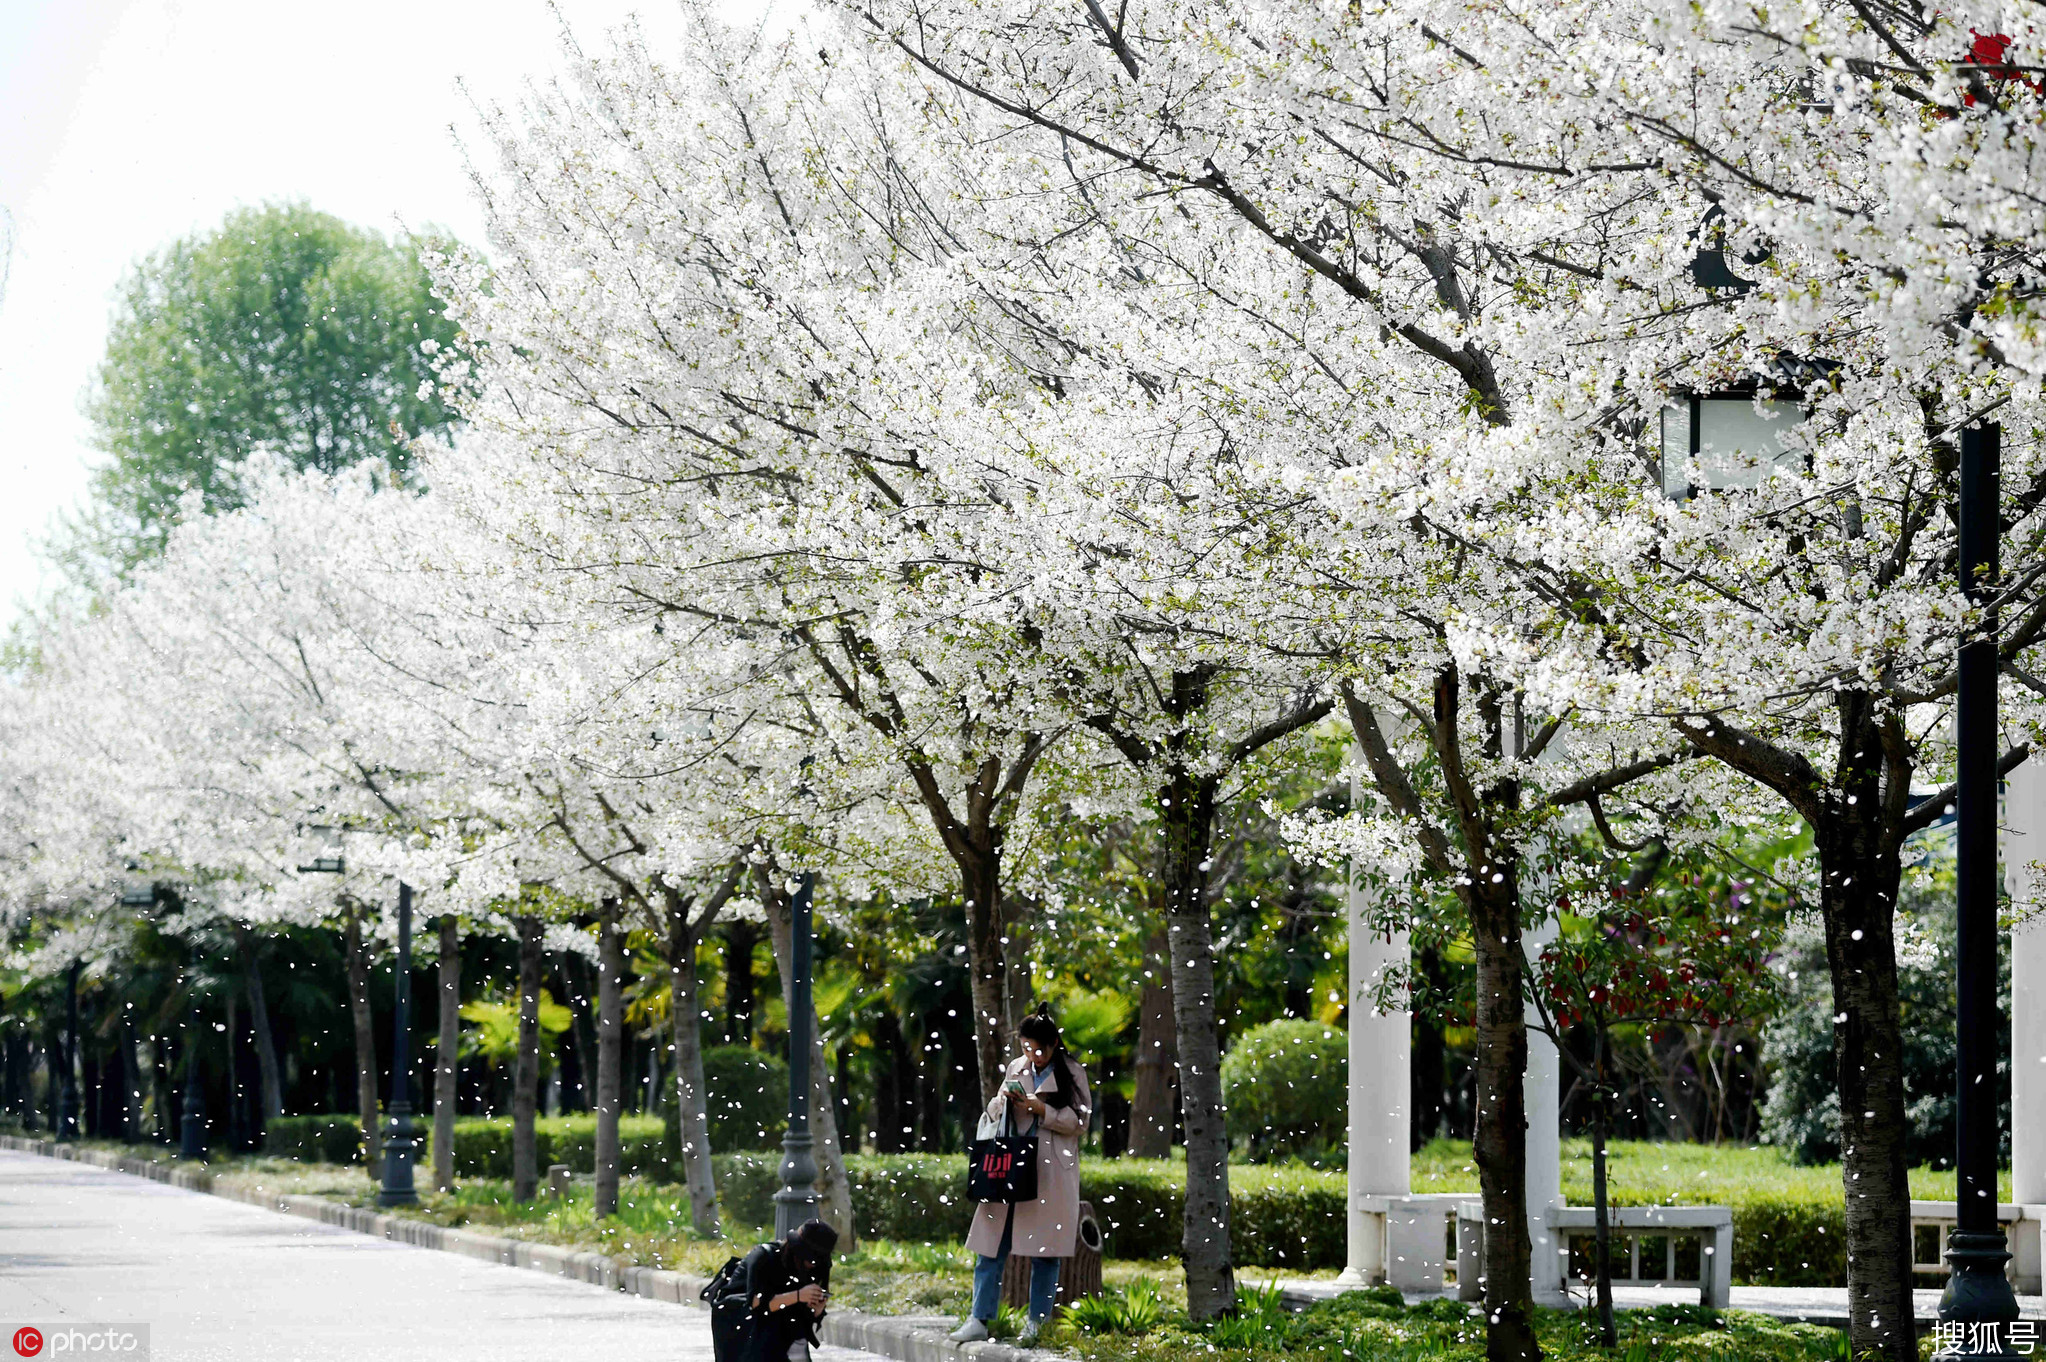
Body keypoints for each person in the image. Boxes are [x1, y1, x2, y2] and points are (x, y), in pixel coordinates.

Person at [950, 1004, 1093, 1346]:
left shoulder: (1073, 1072)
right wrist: (1004, 1100)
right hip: (1008, 1161)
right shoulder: (1017, 1066)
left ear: (1055, 1043)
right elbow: (992, 1109)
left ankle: (1036, 1324)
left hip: (1049, 1171)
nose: (1032, 1055)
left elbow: (1081, 1122)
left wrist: (1042, 1109)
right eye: (1026, 1047)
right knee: (991, 1244)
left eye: (1039, 1049)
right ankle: (979, 1319)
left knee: (1045, 1252)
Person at [732, 1218, 837, 1362]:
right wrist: (798, 1295)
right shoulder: (764, 1257)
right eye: (810, 1259)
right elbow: (755, 1304)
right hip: (748, 1329)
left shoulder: (820, 1265)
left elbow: (805, 1313)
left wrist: (816, 1309)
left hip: (787, 1333)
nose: (813, 1265)